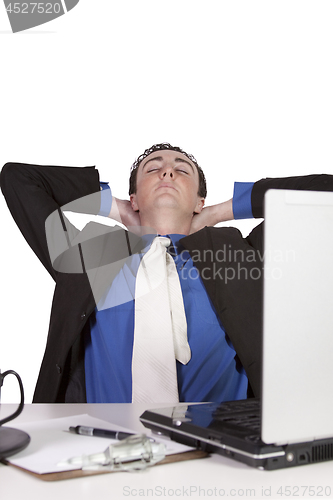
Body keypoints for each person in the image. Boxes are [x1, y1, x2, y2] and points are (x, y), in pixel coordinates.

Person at [1, 143, 332, 404]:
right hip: (100, 454)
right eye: (153, 169)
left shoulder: (241, 255)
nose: (168, 174)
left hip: (224, 457)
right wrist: (115, 208)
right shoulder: (90, 255)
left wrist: (222, 211)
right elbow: (18, 178)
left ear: (199, 200)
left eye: (181, 170)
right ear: (134, 198)